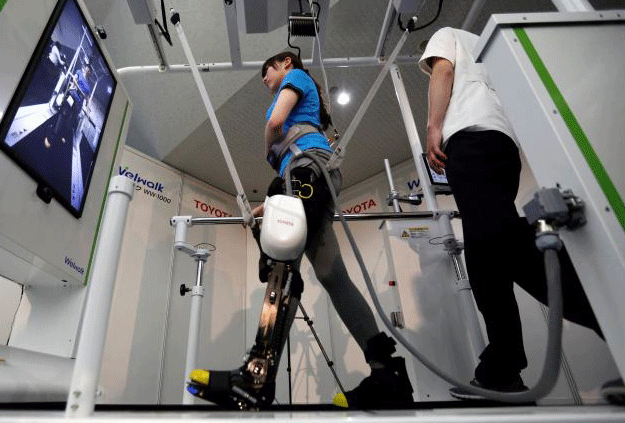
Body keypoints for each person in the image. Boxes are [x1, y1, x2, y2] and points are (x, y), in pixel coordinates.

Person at [187, 51, 413, 409]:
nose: (265, 78)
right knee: (333, 277)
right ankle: (389, 376)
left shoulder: (297, 80)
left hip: (307, 173)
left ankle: (257, 377)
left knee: (282, 265)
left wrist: (270, 151)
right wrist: (273, 201)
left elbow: (276, 122)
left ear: (287, 64)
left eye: (268, 69)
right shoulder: (306, 102)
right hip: (312, 176)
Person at [418, 27, 605, 399]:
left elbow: (442, 72)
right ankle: (501, 368)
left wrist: (433, 128)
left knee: (499, 242)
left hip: (469, 141)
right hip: (504, 148)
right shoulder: (492, 50)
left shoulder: (447, 35)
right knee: (487, 256)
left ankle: (606, 310)